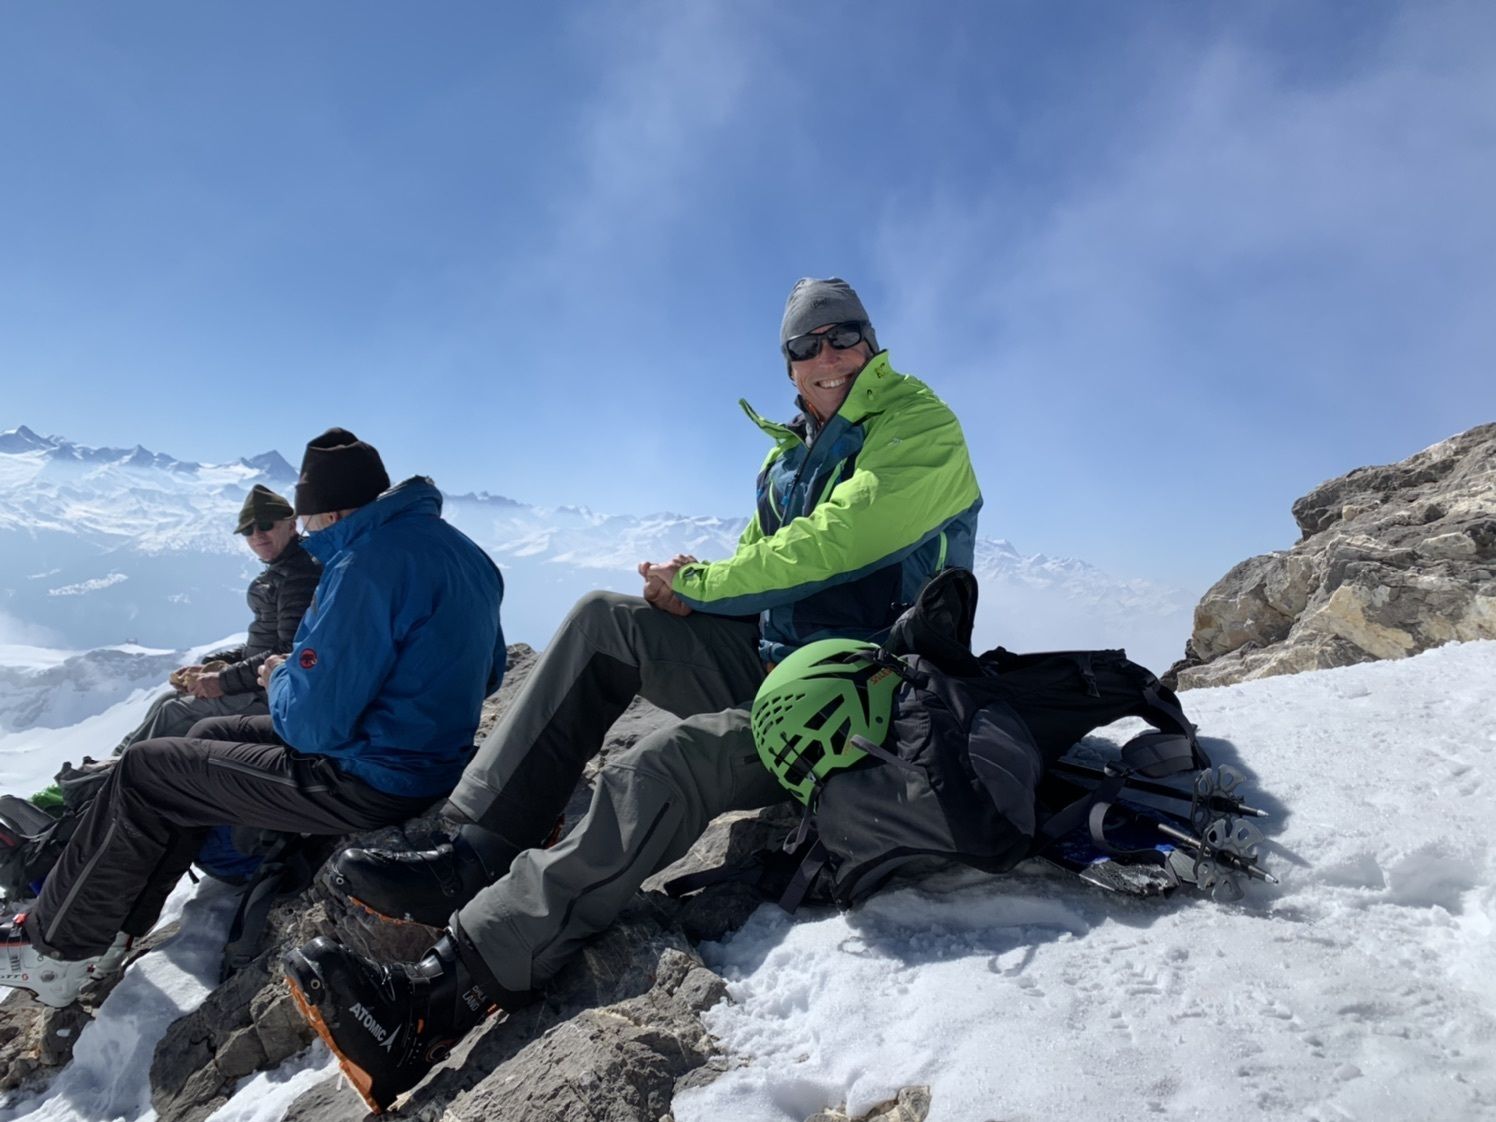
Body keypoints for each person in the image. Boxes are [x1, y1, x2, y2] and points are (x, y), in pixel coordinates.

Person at [282, 277, 984, 1114]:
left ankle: (438, 999)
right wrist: (690, 593)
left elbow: (835, 543)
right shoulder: (790, 456)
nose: (829, 354)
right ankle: (475, 852)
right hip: (777, 667)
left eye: (845, 335)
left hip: (860, 702)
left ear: (871, 341)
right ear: (789, 364)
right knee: (603, 621)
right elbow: (762, 569)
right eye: (808, 343)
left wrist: (706, 582)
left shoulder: (917, 423)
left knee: (668, 763)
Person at [0, 428, 506, 1009]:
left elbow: (310, 727)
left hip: (372, 777)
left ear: (331, 511)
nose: (308, 535)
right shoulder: (461, 551)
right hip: (422, 754)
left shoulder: (365, 567)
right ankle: (114, 928)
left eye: (307, 521)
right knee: (206, 735)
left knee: (146, 769)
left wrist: (279, 677)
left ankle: (55, 948)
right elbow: (490, 673)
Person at [115, 484, 321, 753]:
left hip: (274, 692)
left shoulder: (299, 577)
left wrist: (221, 681)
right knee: (166, 701)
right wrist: (213, 664)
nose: (257, 535)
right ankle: (109, 766)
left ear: (291, 525)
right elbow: (263, 645)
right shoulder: (285, 570)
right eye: (247, 530)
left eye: (265, 525)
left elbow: (287, 650)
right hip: (260, 683)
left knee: (175, 712)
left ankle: (116, 772)